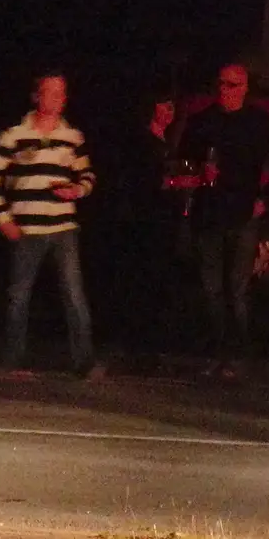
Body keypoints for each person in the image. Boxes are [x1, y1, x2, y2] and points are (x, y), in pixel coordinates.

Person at [0, 72, 99, 377]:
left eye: (62, 94)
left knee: (74, 294)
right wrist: (3, 218)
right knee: (19, 294)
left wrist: (77, 190)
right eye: (51, 93)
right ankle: (12, 358)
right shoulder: (13, 136)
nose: (58, 100)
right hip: (28, 228)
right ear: (36, 96)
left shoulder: (72, 136)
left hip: (63, 226)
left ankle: (83, 361)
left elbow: (87, 175)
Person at [175, 63, 269, 377]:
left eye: (232, 85)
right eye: (222, 84)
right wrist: (199, 173)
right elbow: (181, 164)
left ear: (244, 88)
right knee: (211, 287)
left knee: (237, 288)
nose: (225, 91)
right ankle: (218, 351)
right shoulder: (202, 123)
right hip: (209, 214)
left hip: (242, 216)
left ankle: (239, 355)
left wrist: (264, 201)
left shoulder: (259, 123)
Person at [109, 91, 183, 367]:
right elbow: (145, 182)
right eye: (164, 106)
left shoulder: (167, 143)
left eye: (172, 108)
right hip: (144, 221)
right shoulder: (142, 141)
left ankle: (149, 343)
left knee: (158, 279)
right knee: (142, 278)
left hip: (163, 221)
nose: (169, 112)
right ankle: (134, 343)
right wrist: (177, 183)